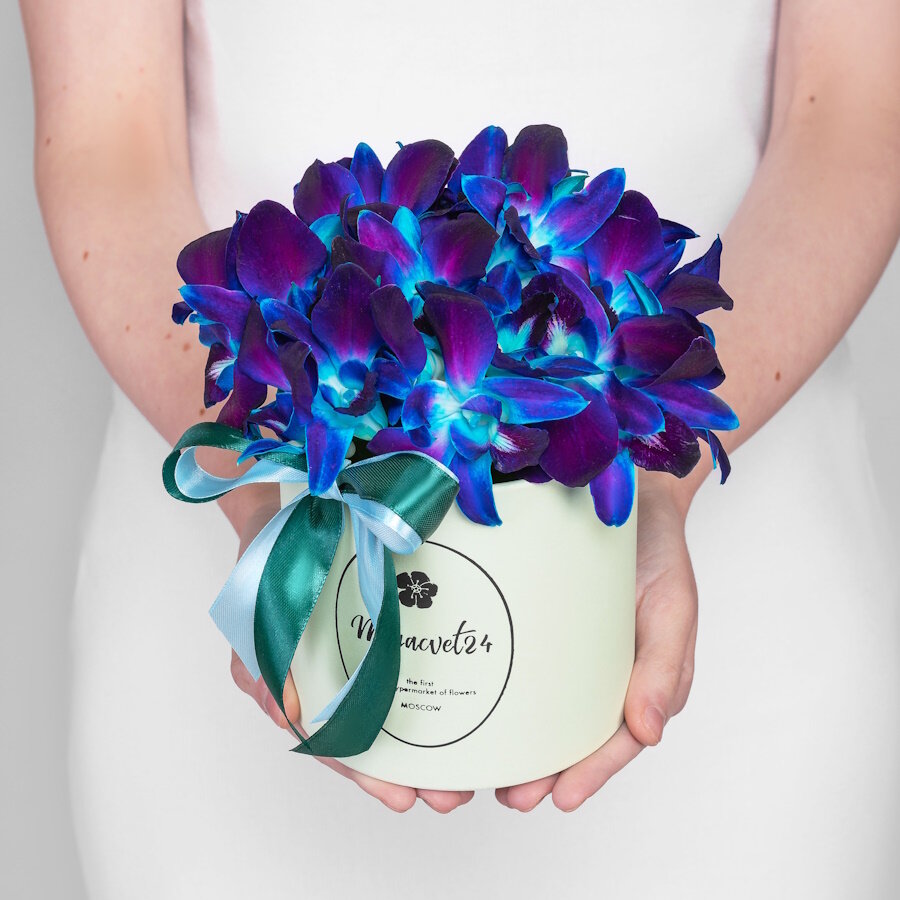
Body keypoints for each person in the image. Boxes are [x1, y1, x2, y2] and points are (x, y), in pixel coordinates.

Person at [20, 0, 900, 896]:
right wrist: (267, 512)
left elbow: (854, 117)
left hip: (753, 649)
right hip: (234, 622)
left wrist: (659, 477)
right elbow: (106, 144)